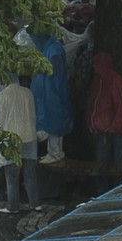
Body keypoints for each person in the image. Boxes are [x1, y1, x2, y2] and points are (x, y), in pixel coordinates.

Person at [0, 74, 41, 215]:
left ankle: (13, 205)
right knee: (30, 172)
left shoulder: (2, 97)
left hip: (11, 138)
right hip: (29, 136)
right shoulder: (28, 93)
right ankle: (35, 203)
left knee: (12, 173)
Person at [28, 31, 72, 163]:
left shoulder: (52, 50)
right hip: (51, 94)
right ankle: (54, 152)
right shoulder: (50, 48)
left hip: (52, 94)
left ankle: (55, 153)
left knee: (54, 125)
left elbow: (53, 74)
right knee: (53, 125)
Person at [87, 51, 122, 170]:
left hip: (118, 131)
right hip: (102, 131)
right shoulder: (97, 81)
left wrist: (114, 127)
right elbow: (93, 104)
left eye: (96, 64)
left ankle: (119, 187)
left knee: (119, 166)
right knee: (101, 166)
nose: (94, 67)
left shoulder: (115, 81)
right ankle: (102, 188)